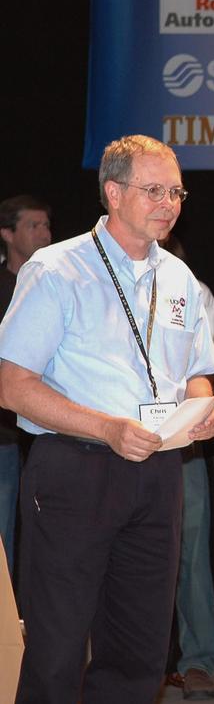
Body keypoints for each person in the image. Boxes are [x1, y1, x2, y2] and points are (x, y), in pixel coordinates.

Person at [0, 135, 214, 703]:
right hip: (75, 470)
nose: (169, 203)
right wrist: (106, 428)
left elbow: (195, 372)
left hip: (158, 472)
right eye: (154, 190)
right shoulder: (57, 269)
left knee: (139, 650)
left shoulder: (179, 278)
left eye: (176, 191)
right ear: (113, 192)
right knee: (57, 647)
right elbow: (13, 386)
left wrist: (202, 408)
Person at [159, 233, 214, 700]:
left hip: (182, 444)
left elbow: (203, 372)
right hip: (111, 439)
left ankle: (199, 660)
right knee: (112, 554)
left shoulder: (192, 290)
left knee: (190, 554)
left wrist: (203, 411)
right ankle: (122, 661)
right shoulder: (87, 279)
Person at [0, 194, 51, 580]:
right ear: (6, 233)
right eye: (33, 226)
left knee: (27, 541)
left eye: (47, 225)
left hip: (36, 437)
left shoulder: (55, 283)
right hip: (7, 434)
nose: (44, 233)